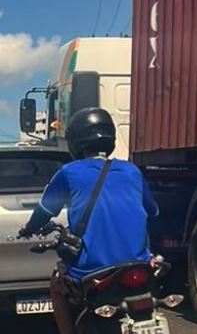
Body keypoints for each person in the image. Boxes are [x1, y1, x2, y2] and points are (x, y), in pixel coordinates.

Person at [19, 107, 159, 334]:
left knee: (57, 284)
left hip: (92, 271)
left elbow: (44, 212)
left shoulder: (68, 173)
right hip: (139, 265)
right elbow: (153, 211)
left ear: (76, 141)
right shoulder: (132, 171)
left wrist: (28, 229)